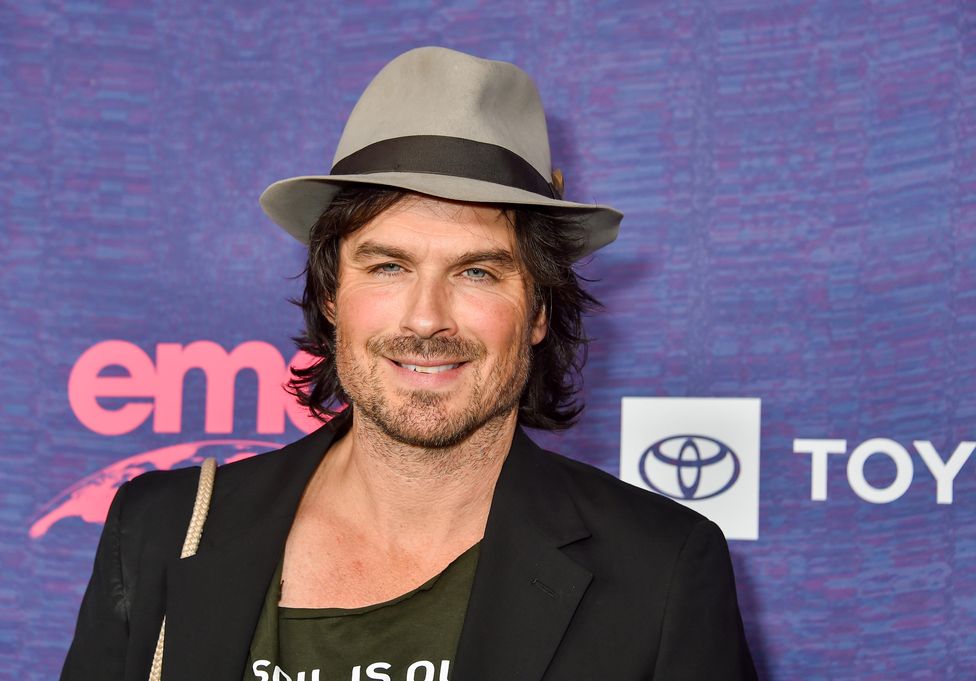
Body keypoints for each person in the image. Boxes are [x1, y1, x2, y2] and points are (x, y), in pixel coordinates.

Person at [62, 46, 758, 681]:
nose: (427, 318)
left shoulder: (659, 571)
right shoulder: (166, 528)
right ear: (332, 294)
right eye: (389, 265)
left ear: (540, 311)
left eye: (478, 272)